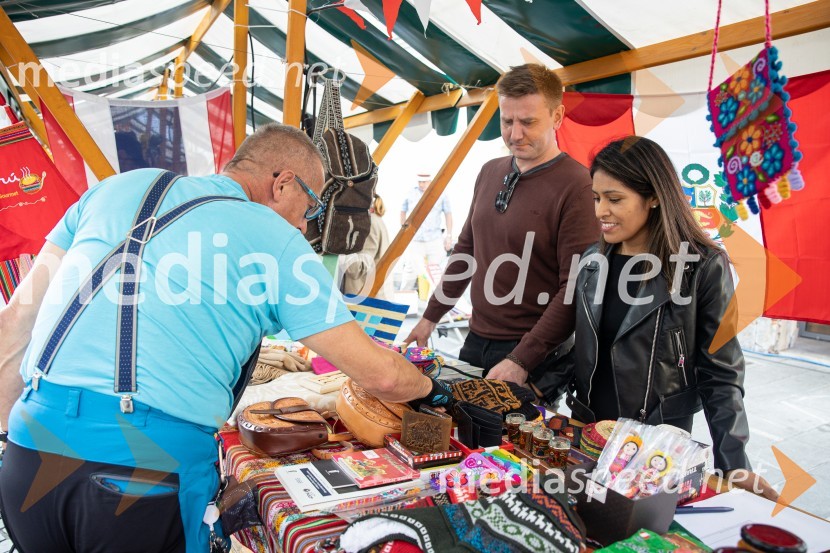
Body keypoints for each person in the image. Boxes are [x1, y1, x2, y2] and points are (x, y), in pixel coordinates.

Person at [0, 123, 450, 552]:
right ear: (283, 184)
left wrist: (11, 435)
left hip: (27, 453)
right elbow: (381, 376)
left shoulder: (114, 188)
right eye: (310, 208)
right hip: (141, 473)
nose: (305, 227)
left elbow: (17, 322)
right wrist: (434, 388)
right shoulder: (275, 238)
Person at [564, 136, 776, 499]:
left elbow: (721, 373)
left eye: (615, 199)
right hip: (588, 436)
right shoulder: (590, 260)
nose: (600, 211)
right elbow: (577, 346)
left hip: (655, 449)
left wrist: (734, 462)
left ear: (654, 197)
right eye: (596, 197)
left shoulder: (703, 266)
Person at [405, 63, 598, 389]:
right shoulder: (489, 170)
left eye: (528, 122)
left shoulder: (577, 184)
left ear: (557, 117)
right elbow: (466, 251)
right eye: (507, 121)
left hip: (534, 353)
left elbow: (574, 289)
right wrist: (430, 317)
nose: (515, 133)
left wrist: (522, 359)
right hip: (476, 337)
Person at [399, 171, 452, 289]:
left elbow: (448, 214)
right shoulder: (411, 193)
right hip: (415, 239)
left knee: (435, 275)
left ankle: (433, 303)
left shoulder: (440, 194)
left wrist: (449, 236)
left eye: (424, 182)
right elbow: (403, 211)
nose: (421, 184)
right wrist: (403, 229)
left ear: (430, 181)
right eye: (420, 182)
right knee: (410, 272)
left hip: (434, 239)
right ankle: (402, 300)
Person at [338, 194, 393, 299]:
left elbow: (356, 269)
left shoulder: (368, 224)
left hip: (364, 301)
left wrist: (337, 246)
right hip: (369, 298)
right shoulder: (373, 219)